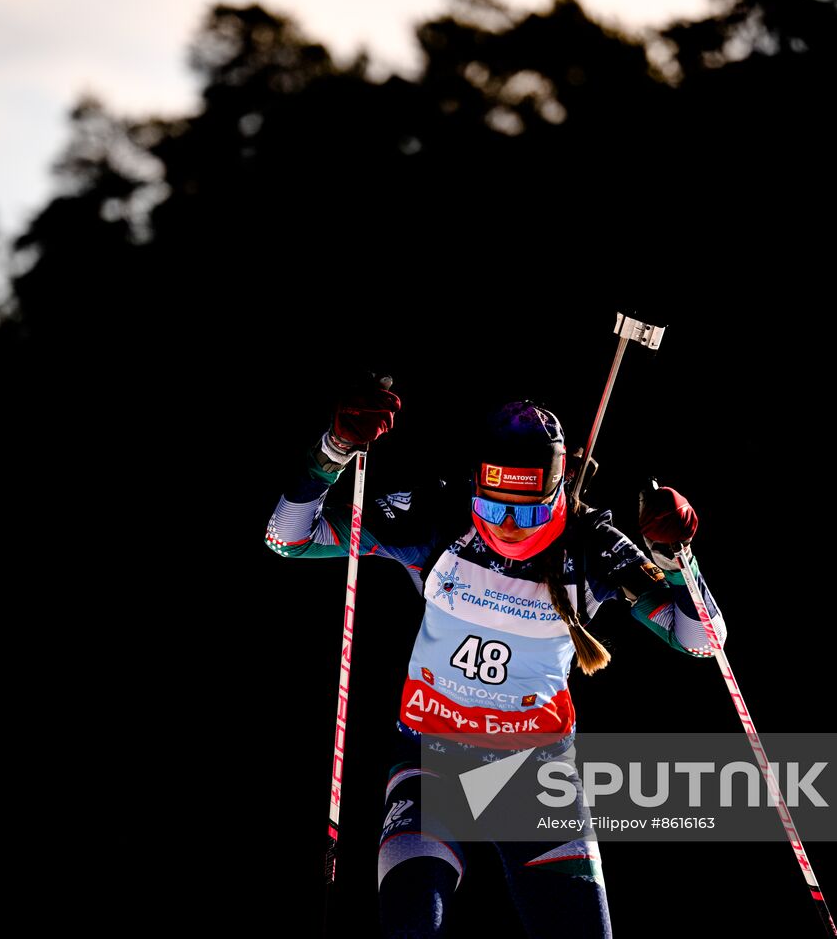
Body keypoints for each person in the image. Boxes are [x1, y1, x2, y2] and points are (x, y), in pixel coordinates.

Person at [265, 384, 727, 938]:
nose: (507, 525)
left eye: (528, 509)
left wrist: (675, 559)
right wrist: (333, 451)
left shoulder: (590, 543)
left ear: (557, 491)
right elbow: (287, 540)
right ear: (475, 484)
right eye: (491, 505)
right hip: (432, 761)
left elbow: (701, 641)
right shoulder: (438, 516)